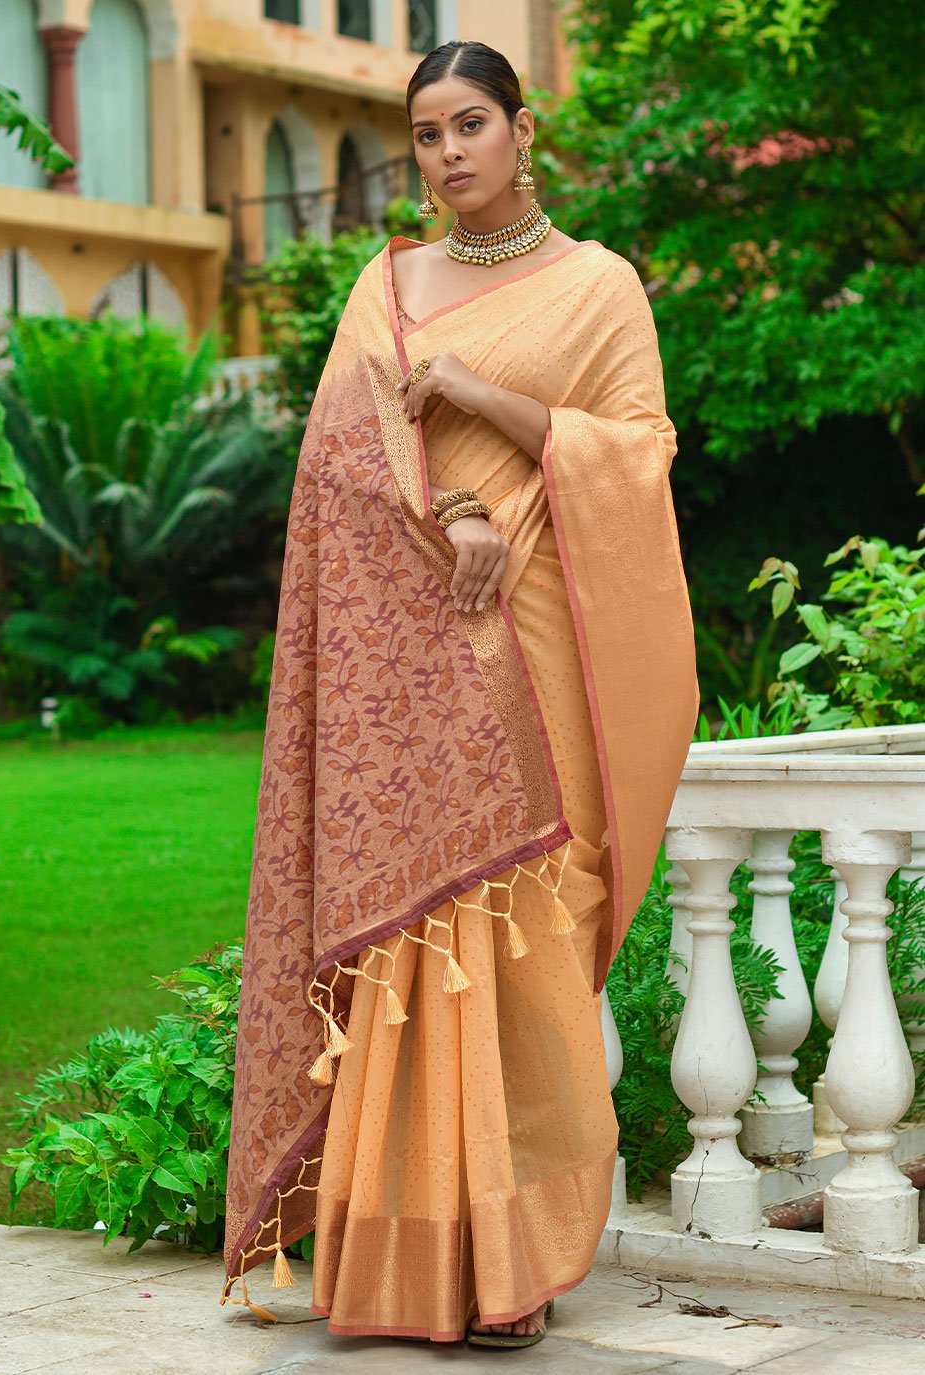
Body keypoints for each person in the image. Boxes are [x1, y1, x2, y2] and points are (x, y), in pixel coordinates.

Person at [221, 38, 698, 1351]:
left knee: (531, 948)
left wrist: (484, 399)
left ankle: (521, 1264)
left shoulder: (600, 291)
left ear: (524, 128)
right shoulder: (386, 289)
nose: (447, 155)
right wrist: (458, 512)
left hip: (539, 647)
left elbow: (639, 456)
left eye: (470, 124)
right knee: (417, 957)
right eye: (426, 134)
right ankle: (407, 1265)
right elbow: (335, 480)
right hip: (408, 658)